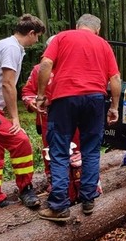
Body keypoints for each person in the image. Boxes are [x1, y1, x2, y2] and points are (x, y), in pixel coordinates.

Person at [36, 13, 121, 221]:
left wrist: (40, 95)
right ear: (97, 30)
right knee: (91, 150)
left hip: (64, 98)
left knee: (59, 150)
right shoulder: (103, 44)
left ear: (77, 26)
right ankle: (88, 199)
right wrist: (114, 107)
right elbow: (115, 78)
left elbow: (46, 64)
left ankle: (59, 205)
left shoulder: (62, 37)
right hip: (95, 99)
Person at [21, 35, 83, 200]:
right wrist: (32, 102)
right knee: (51, 153)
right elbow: (27, 92)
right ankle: (57, 187)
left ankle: (80, 187)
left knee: (76, 151)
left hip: (74, 121)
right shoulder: (38, 70)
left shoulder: (75, 68)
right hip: (48, 120)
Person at [0, 13, 45, 208]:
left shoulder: (7, 45)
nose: (37, 40)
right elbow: (8, 84)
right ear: (31, 33)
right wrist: (15, 118)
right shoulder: (11, 48)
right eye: (37, 35)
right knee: (21, 141)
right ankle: (26, 189)